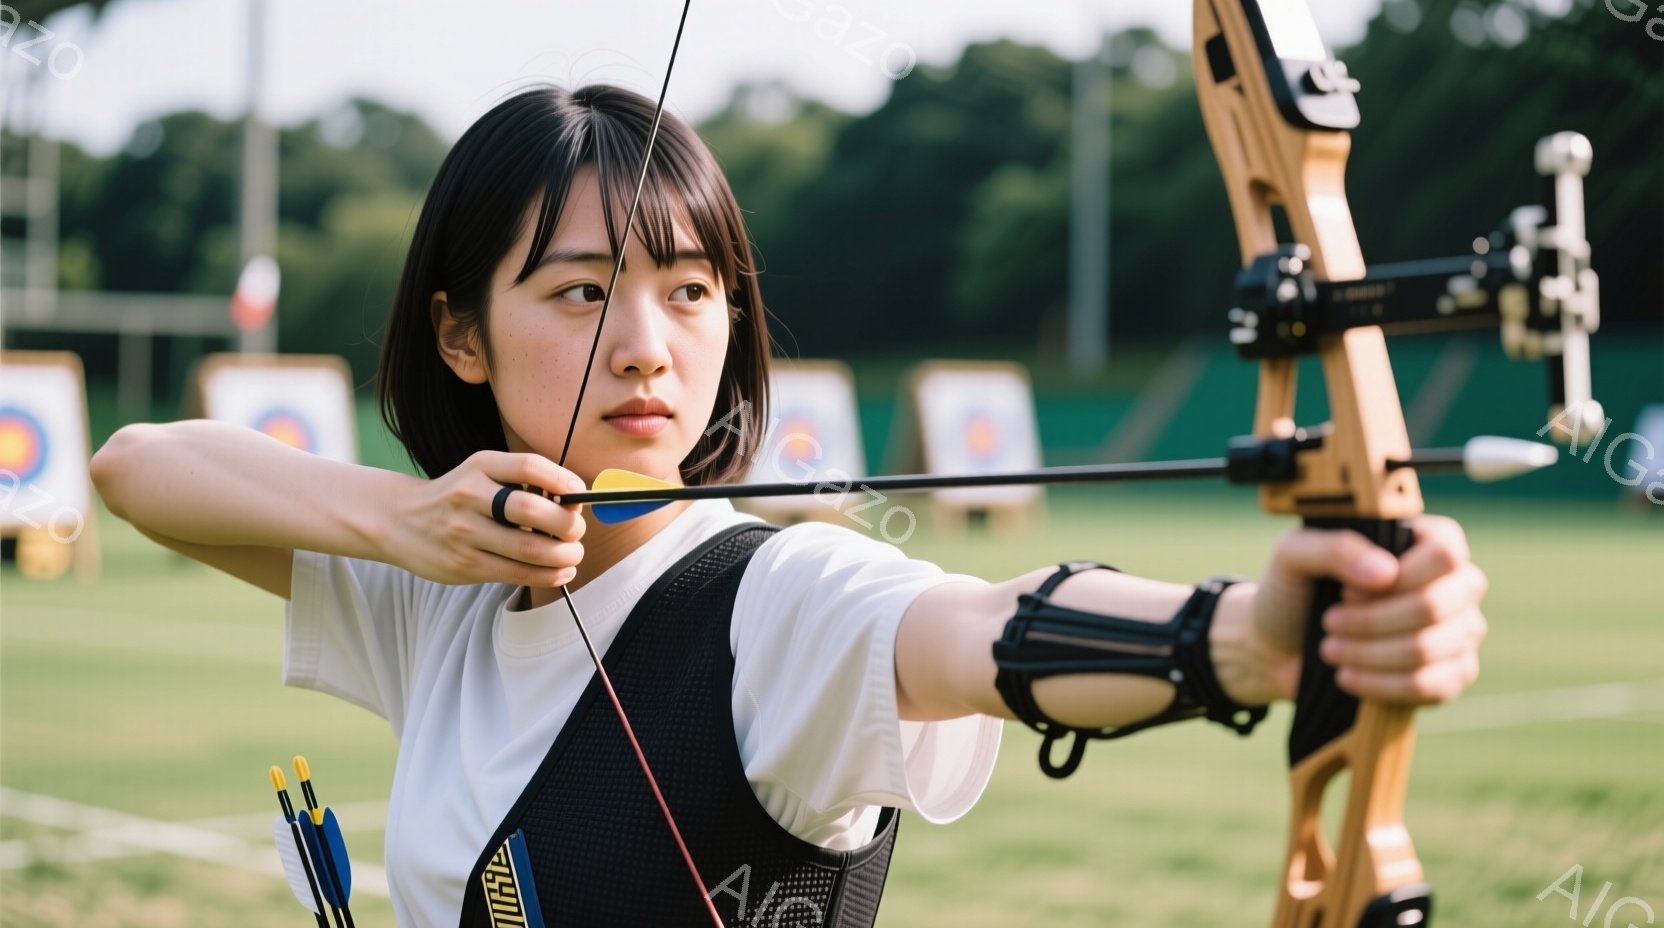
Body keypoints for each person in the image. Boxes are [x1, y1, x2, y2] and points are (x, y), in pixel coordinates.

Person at [89, 84, 1488, 928]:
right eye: (582, 291)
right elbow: (138, 465)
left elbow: (980, 628)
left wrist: (1244, 639)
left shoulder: (776, 600)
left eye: (691, 290)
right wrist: (398, 523)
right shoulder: (443, 589)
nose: (648, 342)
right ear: (462, 336)